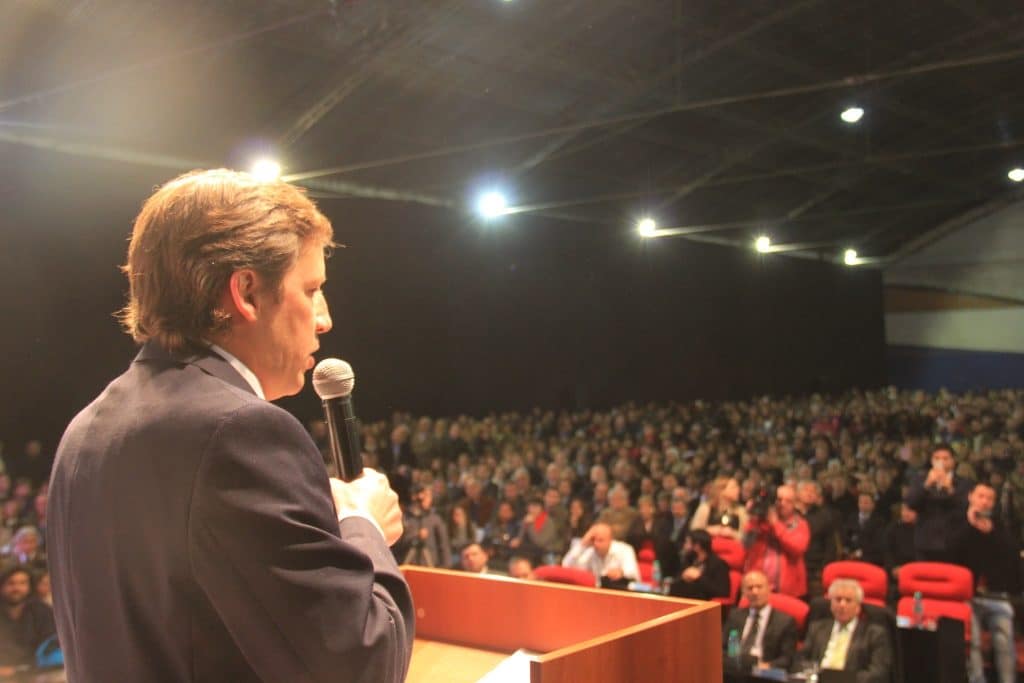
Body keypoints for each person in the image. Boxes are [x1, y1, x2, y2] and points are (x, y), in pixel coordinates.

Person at [47, 169, 414, 682]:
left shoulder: (84, 432)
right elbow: (363, 664)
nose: (324, 319)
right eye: (311, 289)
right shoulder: (239, 433)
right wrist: (362, 523)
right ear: (246, 292)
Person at [949, 482, 1020, 683]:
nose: (985, 502)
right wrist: (969, 526)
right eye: (981, 496)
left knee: (1004, 637)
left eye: (990, 498)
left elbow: (1012, 555)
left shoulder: (999, 525)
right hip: (967, 596)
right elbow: (949, 551)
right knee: (974, 641)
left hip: (995, 595)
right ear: (970, 496)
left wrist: (992, 533)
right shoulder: (957, 521)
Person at [798, 579, 893, 683]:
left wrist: (845, 679)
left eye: (848, 600)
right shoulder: (816, 628)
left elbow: (878, 673)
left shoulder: (875, 634)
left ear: (858, 607)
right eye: (838, 599)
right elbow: (800, 661)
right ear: (831, 604)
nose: (842, 605)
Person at [722, 570, 798, 675]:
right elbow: (725, 647)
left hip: (764, 672)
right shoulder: (735, 616)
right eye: (750, 588)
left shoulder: (785, 622)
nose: (755, 592)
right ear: (743, 592)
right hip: (736, 669)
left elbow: (787, 658)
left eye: (759, 587)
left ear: (769, 589)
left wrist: (766, 666)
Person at [905, 443, 973, 561]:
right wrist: (927, 484)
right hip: (926, 542)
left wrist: (950, 489)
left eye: (945, 458)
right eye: (937, 458)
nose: (941, 462)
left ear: (953, 461)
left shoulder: (964, 483)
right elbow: (911, 503)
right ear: (932, 461)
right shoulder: (920, 480)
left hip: (953, 543)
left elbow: (965, 507)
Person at [744, 485, 810, 597]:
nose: (782, 503)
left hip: (788, 591)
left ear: (795, 504)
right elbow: (746, 544)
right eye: (779, 499)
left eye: (788, 501)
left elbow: (797, 548)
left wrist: (776, 524)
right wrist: (753, 517)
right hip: (758, 588)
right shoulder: (760, 522)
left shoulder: (800, 524)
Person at [0, 564, 56, 673]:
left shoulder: (42, 611)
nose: (17, 588)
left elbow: (50, 646)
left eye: (23, 583)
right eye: (11, 583)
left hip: (36, 671)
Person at [561, 522, 639, 587]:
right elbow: (566, 565)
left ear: (610, 540)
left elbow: (634, 574)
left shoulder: (625, 550)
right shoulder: (590, 552)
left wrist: (621, 572)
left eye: (600, 540)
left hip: (619, 593)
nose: (596, 544)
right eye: (593, 540)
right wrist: (583, 544)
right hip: (596, 595)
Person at [667, 529, 730, 600]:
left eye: (687, 543)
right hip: (684, 600)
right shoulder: (689, 560)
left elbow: (723, 592)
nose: (684, 546)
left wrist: (699, 578)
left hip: (704, 603)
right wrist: (683, 577)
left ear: (697, 546)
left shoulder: (718, 564)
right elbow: (675, 584)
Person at [400, 483, 451, 568]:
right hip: (409, 564)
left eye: (429, 496)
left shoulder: (435, 519)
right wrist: (416, 535)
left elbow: (443, 545)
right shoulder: (405, 517)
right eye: (424, 495)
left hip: (430, 565)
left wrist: (445, 567)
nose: (426, 499)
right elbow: (398, 543)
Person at [690, 476, 747, 540]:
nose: (738, 490)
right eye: (733, 487)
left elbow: (745, 537)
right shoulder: (706, 508)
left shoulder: (741, 511)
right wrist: (712, 530)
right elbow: (695, 531)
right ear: (721, 491)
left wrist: (732, 533)